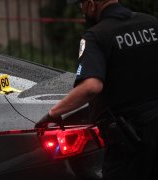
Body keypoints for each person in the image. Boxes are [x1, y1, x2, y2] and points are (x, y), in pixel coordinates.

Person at [36, 0, 158, 179]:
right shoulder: (151, 23)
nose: (81, 10)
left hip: (130, 144)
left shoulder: (96, 36)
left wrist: (53, 113)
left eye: (81, 5)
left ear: (92, 4)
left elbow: (91, 86)